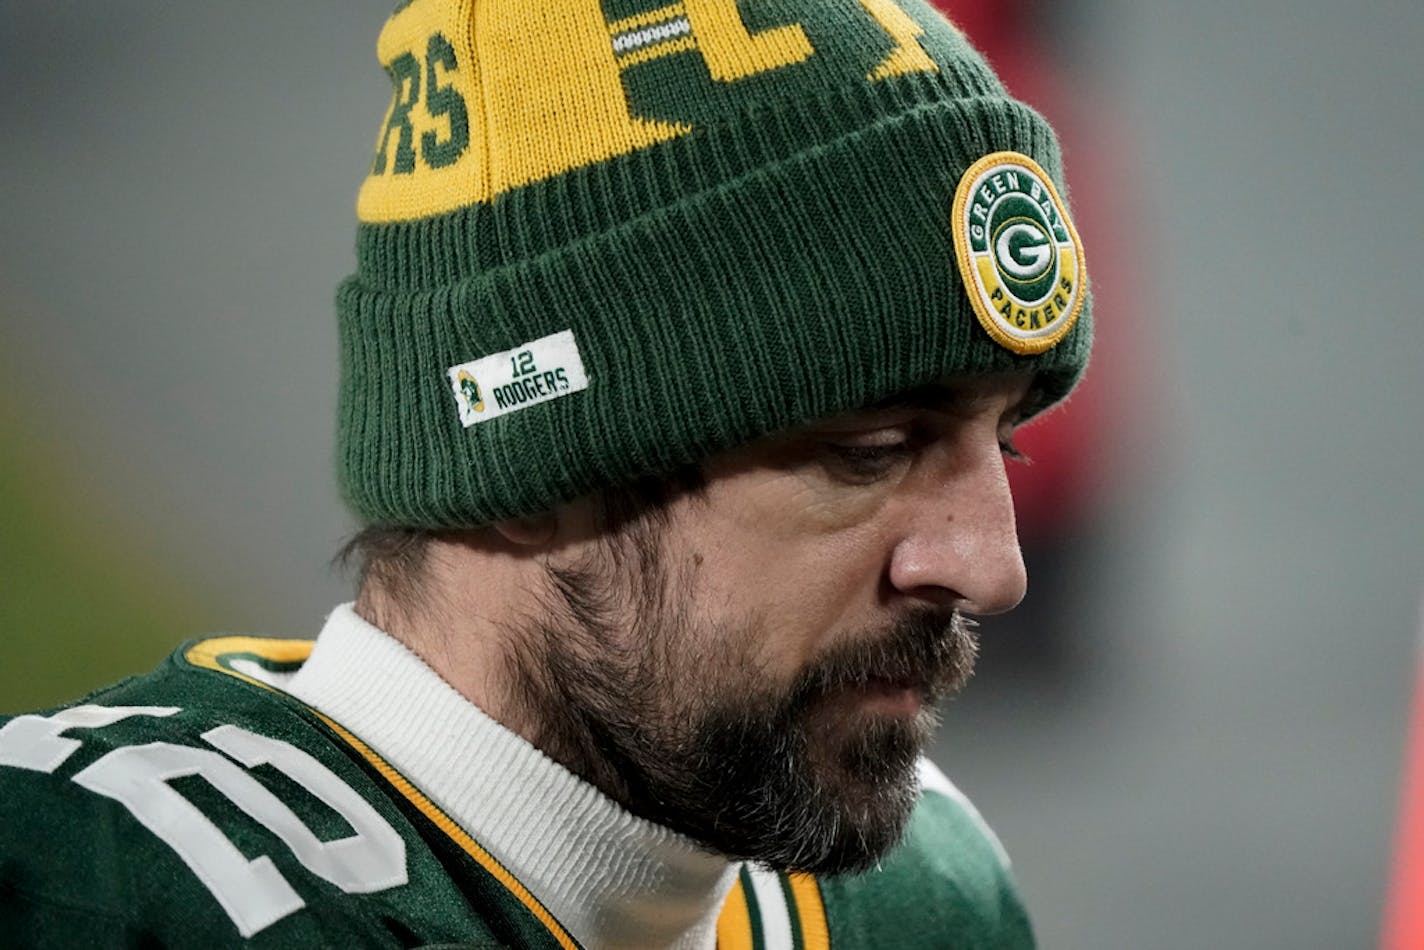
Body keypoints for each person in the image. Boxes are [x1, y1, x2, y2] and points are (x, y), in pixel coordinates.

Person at [0, 0, 1090, 945]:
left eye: (1001, 440)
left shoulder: (927, 901)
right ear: (524, 468)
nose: (992, 567)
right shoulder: (82, 889)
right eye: (871, 447)